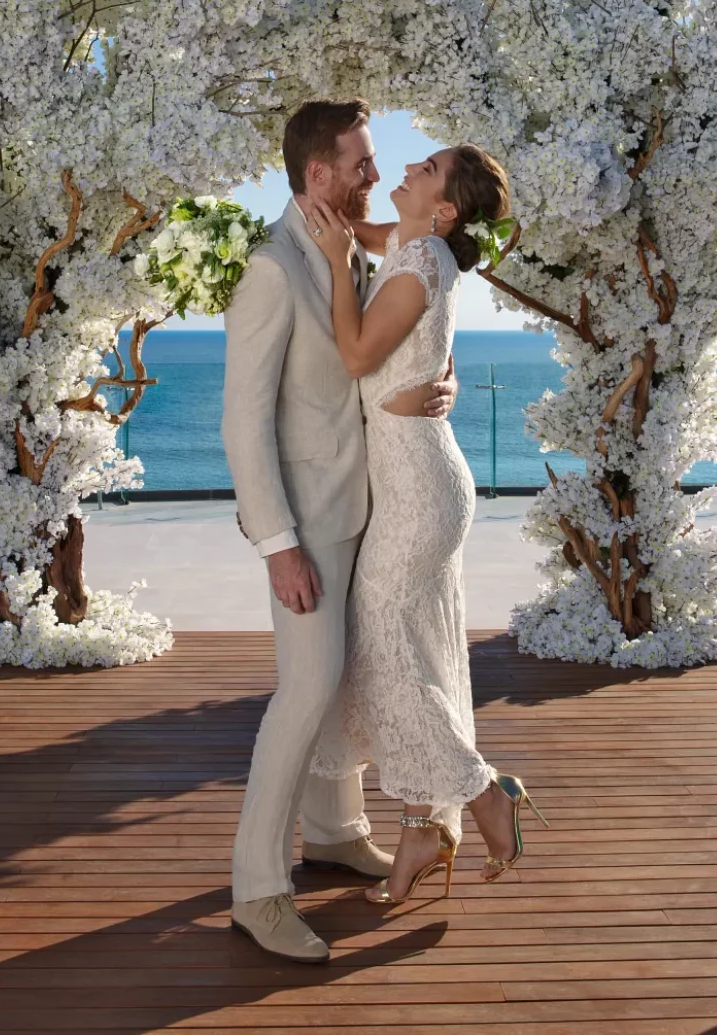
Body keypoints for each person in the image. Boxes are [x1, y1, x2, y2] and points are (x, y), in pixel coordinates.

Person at [220, 99, 458, 964]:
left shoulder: (358, 244)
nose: (373, 173)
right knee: (306, 688)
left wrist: (442, 386)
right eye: (360, 162)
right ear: (317, 173)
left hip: (374, 504)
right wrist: (276, 545)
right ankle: (257, 888)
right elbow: (243, 425)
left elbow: (408, 337)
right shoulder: (273, 271)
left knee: (345, 679)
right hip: (308, 525)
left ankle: (331, 829)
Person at [307, 147, 545, 907]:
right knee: (417, 654)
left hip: (417, 492)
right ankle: (420, 824)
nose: (411, 162)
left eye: (430, 166)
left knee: (385, 647)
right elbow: (376, 238)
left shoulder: (418, 264)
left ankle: (484, 793)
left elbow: (353, 355)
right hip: (418, 479)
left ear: (444, 209)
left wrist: (333, 259)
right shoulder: (418, 247)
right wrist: (345, 228)